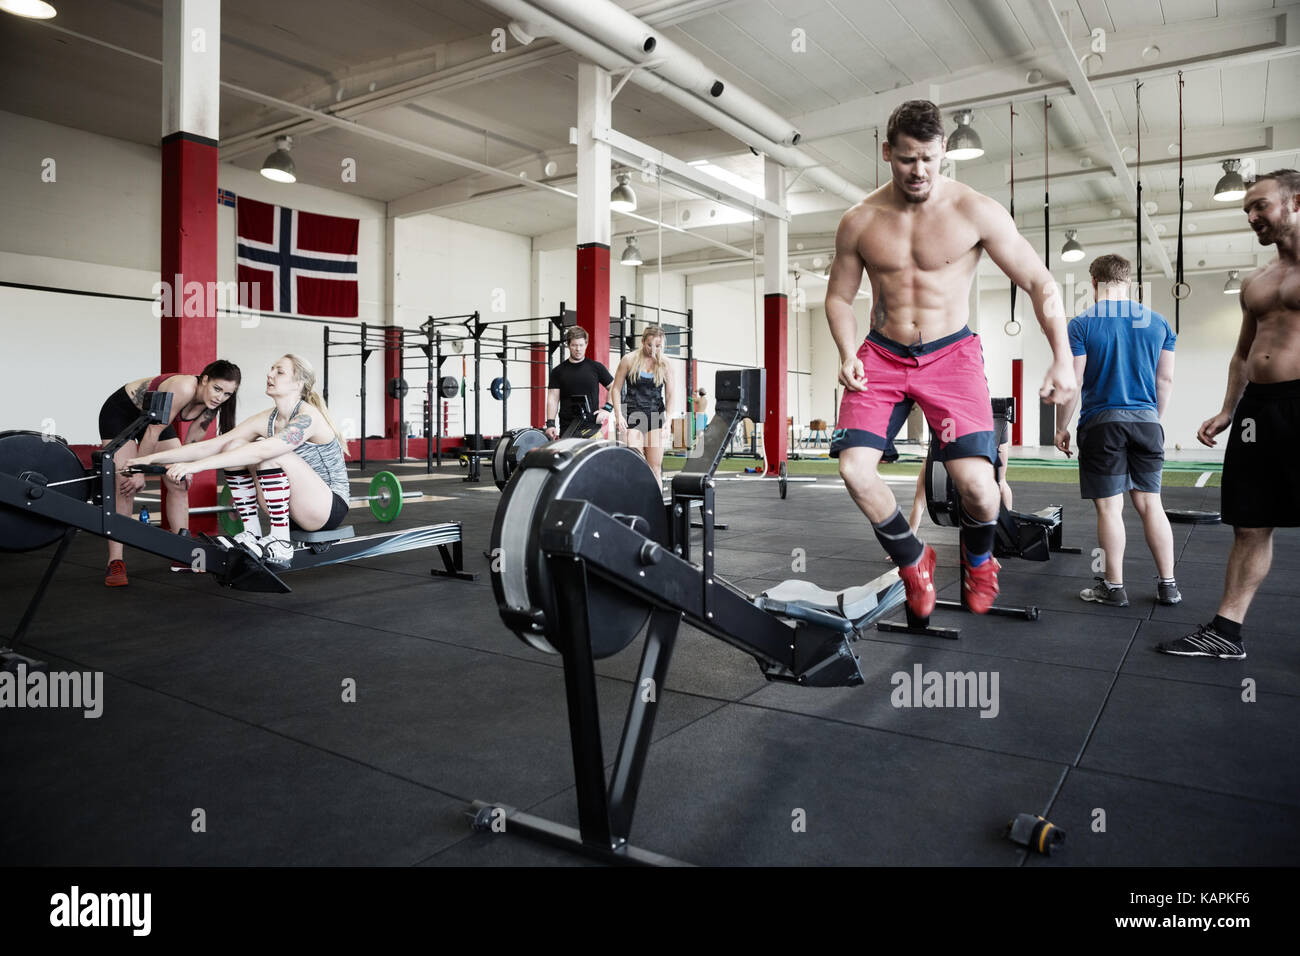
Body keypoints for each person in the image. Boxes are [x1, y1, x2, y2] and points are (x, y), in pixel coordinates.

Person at [825, 99, 1076, 618]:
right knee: (854, 470)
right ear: (887, 152)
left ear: (944, 155)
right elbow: (838, 298)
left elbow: (1038, 281)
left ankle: (980, 559)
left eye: (929, 159)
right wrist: (848, 352)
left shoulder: (975, 211)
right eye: (906, 159)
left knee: (980, 489)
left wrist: (1063, 356)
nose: (918, 171)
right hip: (882, 355)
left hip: (952, 355)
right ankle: (913, 560)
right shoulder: (860, 220)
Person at [1159, 169, 1300, 660]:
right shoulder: (1258, 280)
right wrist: (1227, 409)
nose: (1252, 217)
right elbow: (1243, 353)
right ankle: (1226, 631)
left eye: (1260, 205)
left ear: (1296, 201)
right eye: (1246, 210)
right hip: (1259, 409)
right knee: (1250, 522)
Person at [128, 354, 350, 568]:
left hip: (326, 509)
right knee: (233, 447)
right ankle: (252, 532)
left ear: (298, 384)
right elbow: (212, 445)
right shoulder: (269, 417)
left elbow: (263, 451)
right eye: (271, 369)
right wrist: (146, 459)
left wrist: (194, 467)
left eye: (279, 371)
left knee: (270, 453)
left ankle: (282, 544)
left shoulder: (308, 417)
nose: (270, 374)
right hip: (291, 508)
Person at [1053, 254, 1180, 608]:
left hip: (1101, 425)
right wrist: (1153, 418)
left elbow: (1074, 381)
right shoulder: (1158, 323)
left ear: (1094, 281)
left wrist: (1061, 426)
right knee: (1151, 505)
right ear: (1128, 282)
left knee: (1110, 510)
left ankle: (1113, 587)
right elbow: (1165, 379)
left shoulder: (1081, 324)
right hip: (1147, 423)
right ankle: (1168, 585)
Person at [98, 361, 241, 586]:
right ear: (204, 379)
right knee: (125, 485)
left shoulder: (211, 405)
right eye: (217, 389)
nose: (220, 397)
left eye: (227, 394)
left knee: (179, 481)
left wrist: (187, 467)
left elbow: (192, 442)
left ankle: (181, 553)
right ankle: (115, 562)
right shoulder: (183, 388)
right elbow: (153, 432)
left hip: (153, 421)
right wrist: (138, 472)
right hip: (121, 414)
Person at [610, 325, 676, 483]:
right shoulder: (629, 360)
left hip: (654, 416)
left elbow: (670, 394)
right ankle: (636, 505)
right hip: (633, 416)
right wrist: (618, 415)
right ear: (642, 341)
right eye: (650, 345)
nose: (653, 349)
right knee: (637, 465)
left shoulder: (665, 364)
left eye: (658, 346)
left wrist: (668, 420)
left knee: (655, 468)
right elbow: (616, 389)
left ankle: (656, 506)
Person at [545, 326, 613, 439]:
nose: (578, 349)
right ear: (568, 345)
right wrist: (550, 424)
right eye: (574, 345)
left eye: (581, 345)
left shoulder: (596, 368)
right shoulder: (558, 371)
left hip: (592, 428)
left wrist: (607, 408)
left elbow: (615, 388)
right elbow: (553, 399)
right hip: (568, 429)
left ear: (586, 344)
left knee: (595, 456)